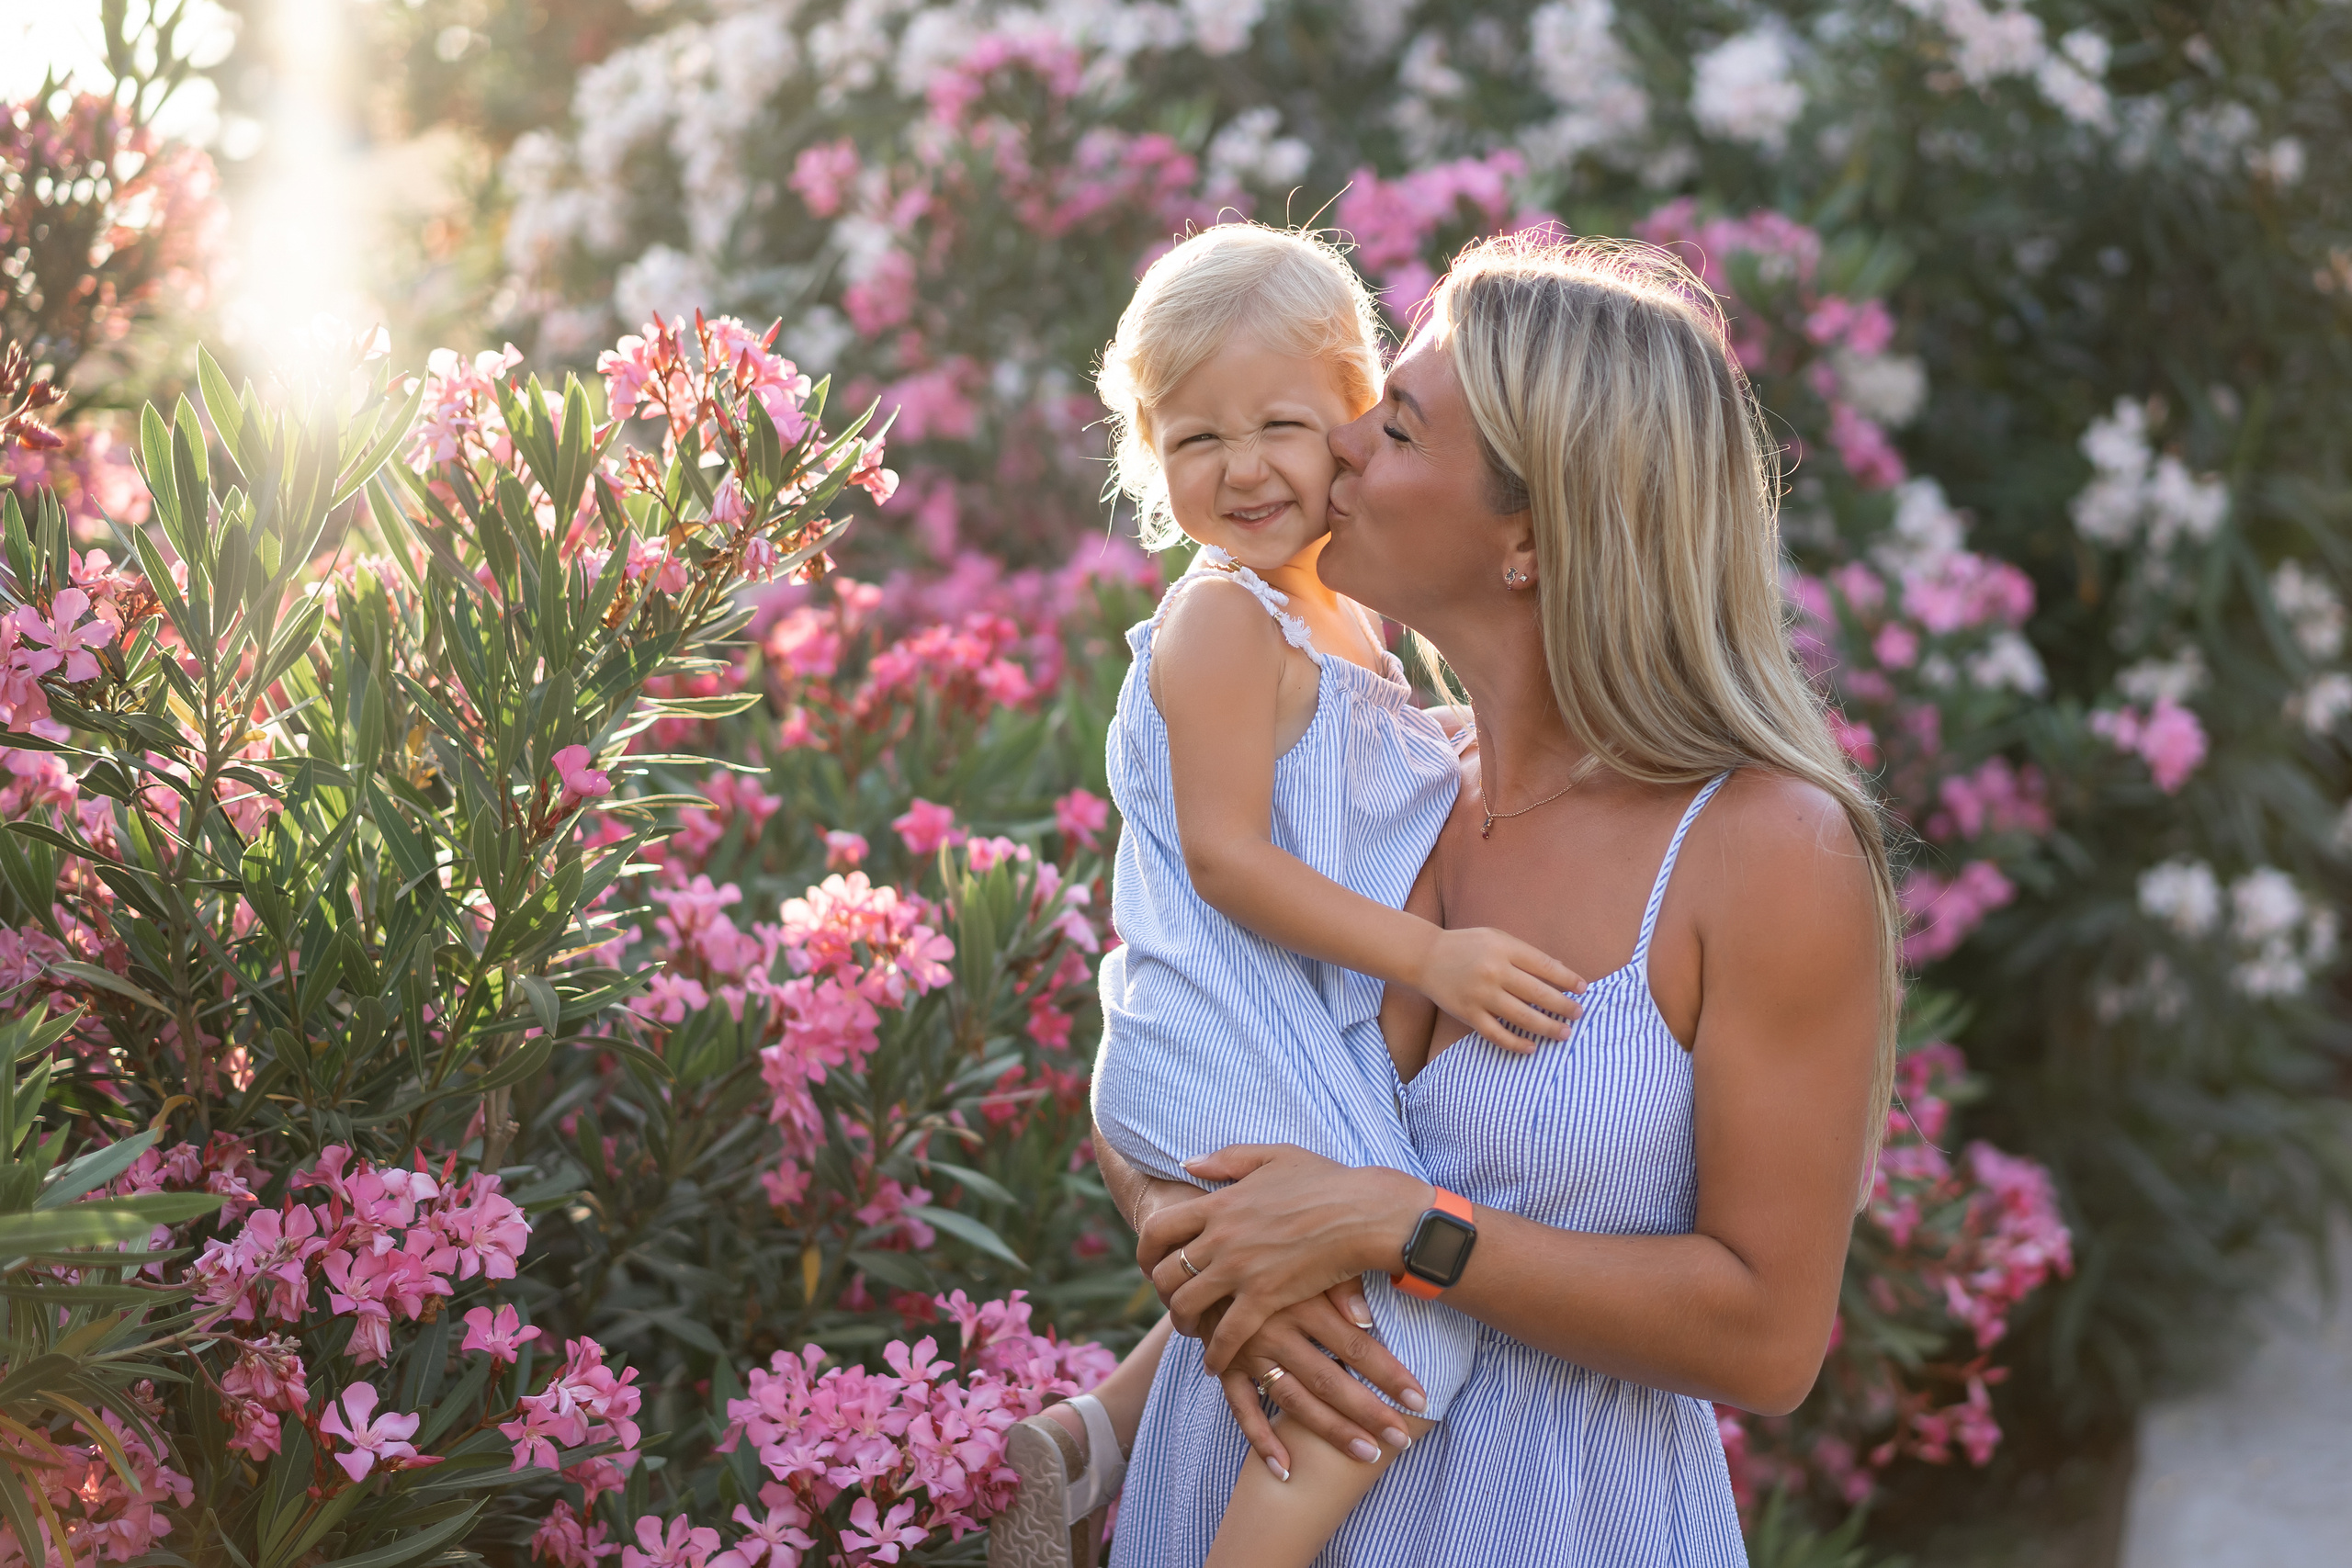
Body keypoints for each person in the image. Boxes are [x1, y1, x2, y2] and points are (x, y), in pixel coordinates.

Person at [1084, 233, 1902, 1566]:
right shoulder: (1375, 782)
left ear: (1529, 533)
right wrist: (1197, 1266)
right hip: (1235, 1486)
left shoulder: (1765, 852)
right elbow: (1181, 1028)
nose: (1339, 447)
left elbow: (1765, 1339)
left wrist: (1397, 1232)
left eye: (1393, 426)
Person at [990, 222, 1591, 1568]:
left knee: (1332, 1262)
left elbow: (1352, 808)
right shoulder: (1222, 623)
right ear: (1150, 455)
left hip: (1266, 1029)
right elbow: (1230, 861)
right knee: (1415, 1322)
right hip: (1214, 1037)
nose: (1244, 467)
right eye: (1196, 439)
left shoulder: (1350, 624)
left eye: (1280, 423)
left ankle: (1095, 1447)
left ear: (1357, 421)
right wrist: (1431, 969)